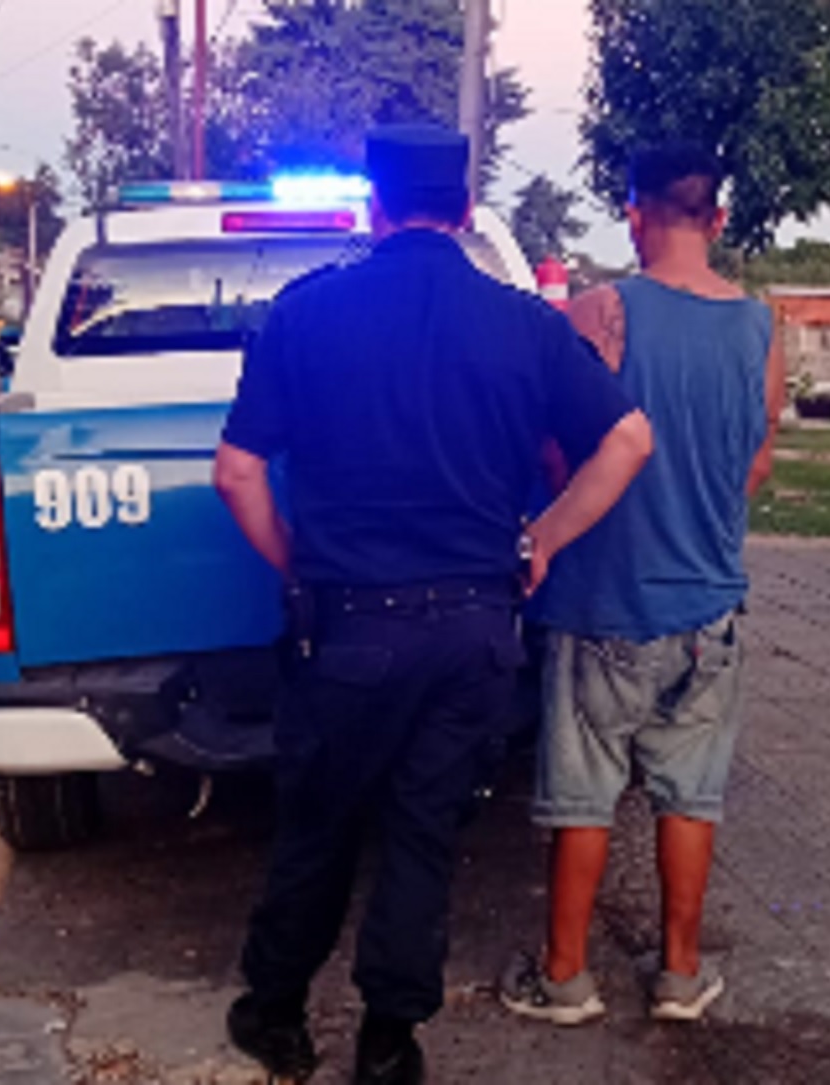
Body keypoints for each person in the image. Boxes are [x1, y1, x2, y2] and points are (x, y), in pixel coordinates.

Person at [214, 123, 653, 1084]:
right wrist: (542, 540)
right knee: (422, 835)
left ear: (374, 207)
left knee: (319, 828)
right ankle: (389, 1041)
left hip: (348, 631)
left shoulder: (305, 312)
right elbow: (628, 440)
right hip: (472, 633)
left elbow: (237, 472)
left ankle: (275, 1016)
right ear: (464, 209)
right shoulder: (526, 324)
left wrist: (298, 564)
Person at [501, 143, 783, 1026]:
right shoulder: (761, 328)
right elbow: (757, 461)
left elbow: (554, 452)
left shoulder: (599, 313)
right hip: (709, 606)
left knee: (584, 795)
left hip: (600, 599)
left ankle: (564, 977)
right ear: (718, 218)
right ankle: (680, 975)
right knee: (690, 794)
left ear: (633, 215)